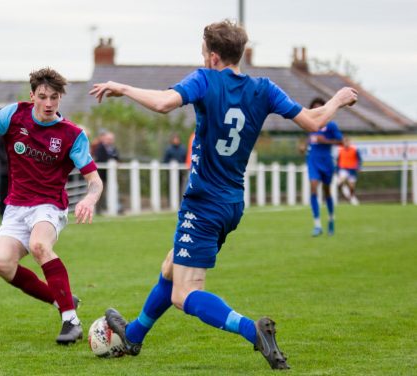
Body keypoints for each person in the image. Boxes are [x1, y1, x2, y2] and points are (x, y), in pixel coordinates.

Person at [89, 20, 357, 370]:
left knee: (184, 293)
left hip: (203, 204)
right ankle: (135, 335)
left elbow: (164, 104)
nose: (201, 59)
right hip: (232, 204)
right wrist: (337, 98)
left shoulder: (205, 79)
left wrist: (122, 87)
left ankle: (252, 330)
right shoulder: (264, 89)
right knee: (171, 266)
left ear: (213, 56)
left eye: (202, 53)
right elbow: (312, 121)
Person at [0, 67, 103, 344]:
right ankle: (61, 299)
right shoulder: (14, 115)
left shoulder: (72, 135)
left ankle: (70, 320)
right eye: (43, 96)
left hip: (49, 206)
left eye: (54, 97)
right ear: (32, 95)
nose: (49, 103)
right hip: (16, 207)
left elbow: (95, 180)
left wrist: (89, 198)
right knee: (1, 263)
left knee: (40, 246)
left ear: (60, 98)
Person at [305, 97, 344, 236]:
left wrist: (326, 141)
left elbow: (341, 142)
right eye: (314, 107)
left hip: (326, 161)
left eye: (319, 107)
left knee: (327, 191)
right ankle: (317, 225)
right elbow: (309, 142)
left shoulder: (331, 125)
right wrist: (303, 147)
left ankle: (331, 218)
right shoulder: (309, 125)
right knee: (314, 188)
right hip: (313, 161)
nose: (317, 110)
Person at [336, 137, 362, 205]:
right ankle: (344, 190)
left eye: (347, 142)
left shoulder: (354, 150)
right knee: (340, 182)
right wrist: (337, 169)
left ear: (350, 143)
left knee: (352, 186)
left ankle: (351, 197)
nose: (346, 143)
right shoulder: (340, 150)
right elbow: (338, 160)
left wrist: (358, 166)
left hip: (352, 169)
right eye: (345, 142)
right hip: (343, 169)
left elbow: (359, 159)